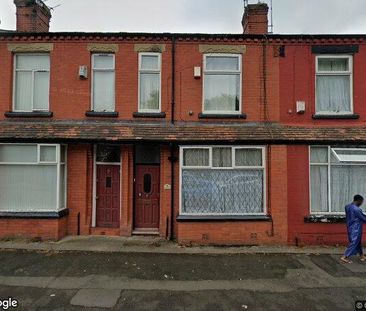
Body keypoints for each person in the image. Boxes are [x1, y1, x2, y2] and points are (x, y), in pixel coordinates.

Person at [340, 194, 366, 264]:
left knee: (358, 242)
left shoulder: (347, 207)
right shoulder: (357, 209)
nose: (361, 204)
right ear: (359, 201)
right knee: (354, 242)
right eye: (361, 202)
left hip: (350, 226)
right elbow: (363, 218)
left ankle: (361, 255)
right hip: (356, 228)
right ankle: (344, 256)